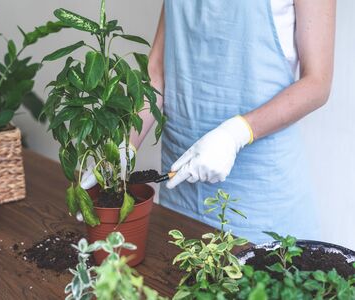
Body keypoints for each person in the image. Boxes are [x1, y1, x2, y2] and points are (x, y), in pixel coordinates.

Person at [83, 0, 336, 244]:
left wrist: (235, 133)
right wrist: (122, 148)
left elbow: (317, 83)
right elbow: (157, 73)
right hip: (181, 186)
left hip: (259, 200)